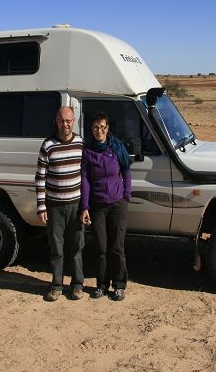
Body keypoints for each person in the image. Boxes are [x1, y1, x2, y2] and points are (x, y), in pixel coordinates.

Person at [35, 106, 85, 302]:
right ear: (56, 121)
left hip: (76, 205)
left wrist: (86, 206)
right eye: (62, 121)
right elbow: (40, 178)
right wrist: (41, 206)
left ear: (74, 121)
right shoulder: (48, 145)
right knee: (56, 248)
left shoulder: (81, 143)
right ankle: (56, 285)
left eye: (69, 121)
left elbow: (86, 176)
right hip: (54, 206)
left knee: (76, 247)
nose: (65, 124)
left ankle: (77, 284)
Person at [80, 113, 132, 301]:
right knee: (101, 247)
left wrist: (126, 195)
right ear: (91, 130)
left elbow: (126, 171)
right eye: (95, 127)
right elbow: (84, 180)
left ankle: (119, 285)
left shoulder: (116, 147)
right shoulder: (87, 151)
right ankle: (101, 284)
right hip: (97, 206)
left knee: (117, 246)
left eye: (102, 127)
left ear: (108, 128)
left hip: (118, 204)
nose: (99, 130)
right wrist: (85, 206)